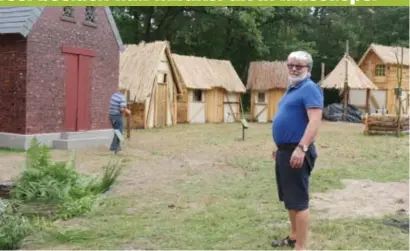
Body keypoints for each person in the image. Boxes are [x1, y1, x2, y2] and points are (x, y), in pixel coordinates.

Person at [270, 51, 323, 250]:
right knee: (290, 199)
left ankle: (301, 247)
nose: (293, 68)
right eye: (290, 64)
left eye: (298, 66)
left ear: (308, 69)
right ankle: (294, 238)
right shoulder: (292, 89)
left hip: (298, 151)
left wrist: (302, 148)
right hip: (285, 151)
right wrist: (278, 145)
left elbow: (315, 121)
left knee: (299, 201)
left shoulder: (310, 88)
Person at [109, 88, 131, 153]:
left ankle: (116, 147)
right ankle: (115, 147)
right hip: (117, 116)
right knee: (119, 132)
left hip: (111, 116)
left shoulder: (113, 95)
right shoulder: (122, 97)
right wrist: (128, 111)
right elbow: (121, 109)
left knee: (117, 131)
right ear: (124, 91)